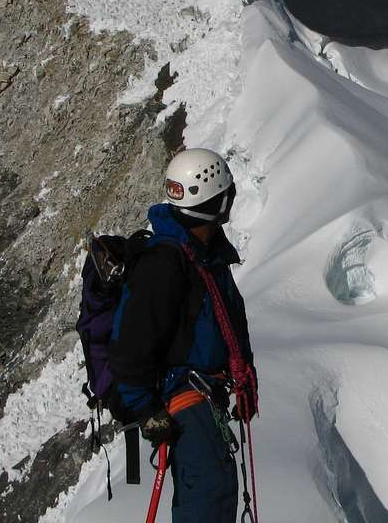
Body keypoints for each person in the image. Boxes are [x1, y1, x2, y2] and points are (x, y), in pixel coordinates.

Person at [110, 148, 257, 523]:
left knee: (214, 488)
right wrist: (146, 411)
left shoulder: (203, 256)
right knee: (208, 491)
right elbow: (131, 348)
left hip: (202, 396)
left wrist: (242, 373)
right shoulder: (167, 264)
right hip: (185, 399)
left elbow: (227, 322)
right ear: (217, 202)